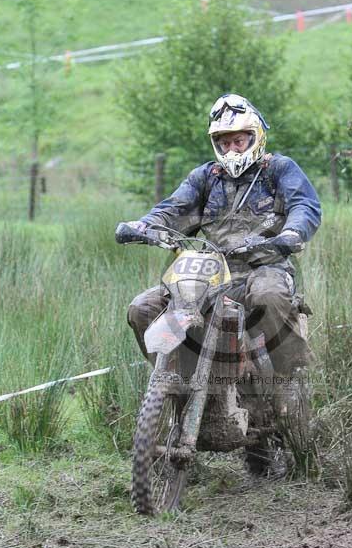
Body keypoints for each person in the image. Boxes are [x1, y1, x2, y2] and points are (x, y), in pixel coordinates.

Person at [124, 94, 321, 382]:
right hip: (211, 274)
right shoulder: (206, 177)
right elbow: (174, 209)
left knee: (269, 295)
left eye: (238, 141)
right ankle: (175, 381)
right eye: (224, 143)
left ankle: (289, 375)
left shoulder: (278, 169)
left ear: (255, 137)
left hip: (265, 267)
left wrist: (292, 232)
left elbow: (305, 206)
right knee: (143, 308)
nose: (231, 149)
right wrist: (144, 226)